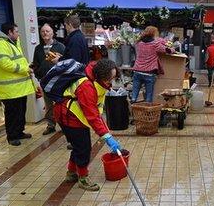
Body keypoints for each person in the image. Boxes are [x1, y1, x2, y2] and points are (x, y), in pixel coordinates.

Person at [53, 59, 123, 191]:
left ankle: (71, 173)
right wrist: (106, 137)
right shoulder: (87, 87)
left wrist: (106, 133)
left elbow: (96, 113)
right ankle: (83, 178)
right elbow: (92, 116)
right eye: (110, 78)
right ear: (102, 75)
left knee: (78, 146)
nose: (111, 81)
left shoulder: (97, 81)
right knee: (84, 148)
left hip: (74, 115)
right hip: (68, 116)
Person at [0, 22, 35, 146]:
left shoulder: (13, 42)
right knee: (12, 114)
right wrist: (25, 69)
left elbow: (18, 59)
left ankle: (19, 132)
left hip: (20, 87)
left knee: (20, 112)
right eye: (16, 31)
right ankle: (12, 136)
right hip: (9, 89)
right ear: (9, 32)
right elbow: (5, 64)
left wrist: (28, 67)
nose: (18, 34)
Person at [32, 24, 65, 135]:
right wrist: (38, 76)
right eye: (42, 31)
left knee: (61, 104)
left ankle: (64, 125)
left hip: (58, 81)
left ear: (52, 33)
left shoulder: (60, 46)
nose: (45, 33)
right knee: (48, 104)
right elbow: (35, 64)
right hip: (44, 81)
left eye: (47, 31)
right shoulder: (38, 48)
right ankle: (51, 125)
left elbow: (66, 63)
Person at [131, 26, 169, 103]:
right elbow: (166, 50)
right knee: (148, 97)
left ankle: (133, 109)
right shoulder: (155, 44)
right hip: (149, 73)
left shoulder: (139, 43)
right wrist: (172, 49)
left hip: (137, 71)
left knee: (134, 95)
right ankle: (147, 113)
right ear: (154, 33)